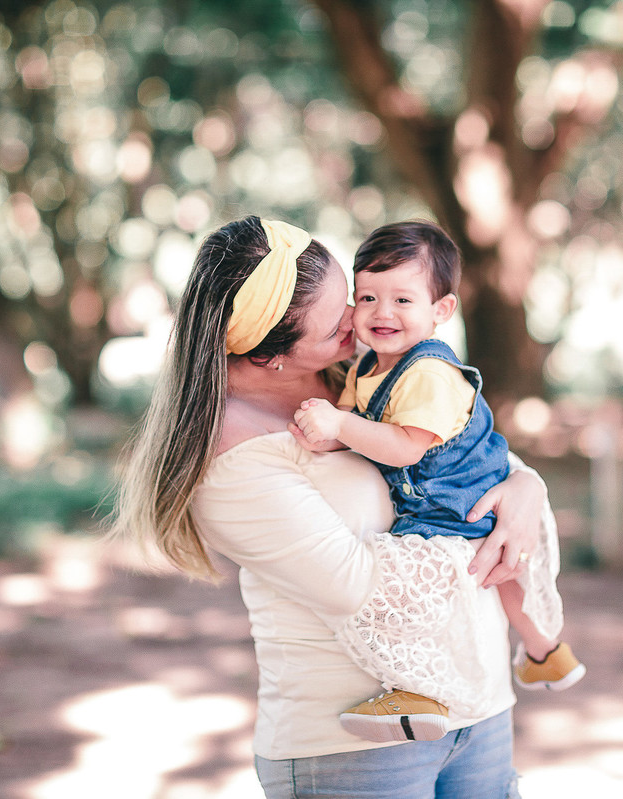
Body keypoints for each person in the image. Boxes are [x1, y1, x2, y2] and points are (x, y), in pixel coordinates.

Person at [111, 215, 559, 799]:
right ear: (270, 354)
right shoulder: (230, 459)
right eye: (336, 324)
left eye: (350, 298)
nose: (363, 319)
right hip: (352, 751)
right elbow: (357, 586)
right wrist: (482, 530)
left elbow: (463, 454)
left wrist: (526, 491)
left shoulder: (362, 376)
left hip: (479, 709)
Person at [292, 221, 584, 744]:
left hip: (456, 505)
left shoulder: (426, 372)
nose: (382, 313)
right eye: (368, 297)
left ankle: (418, 689)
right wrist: (329, 436)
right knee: (511, 581)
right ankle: (545, 653)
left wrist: (340, 427)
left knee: (402, 590)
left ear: (440, 311)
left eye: (403, 299)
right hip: (472, 494)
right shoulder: (368, 368)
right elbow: (357, 427)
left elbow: (404, 445)